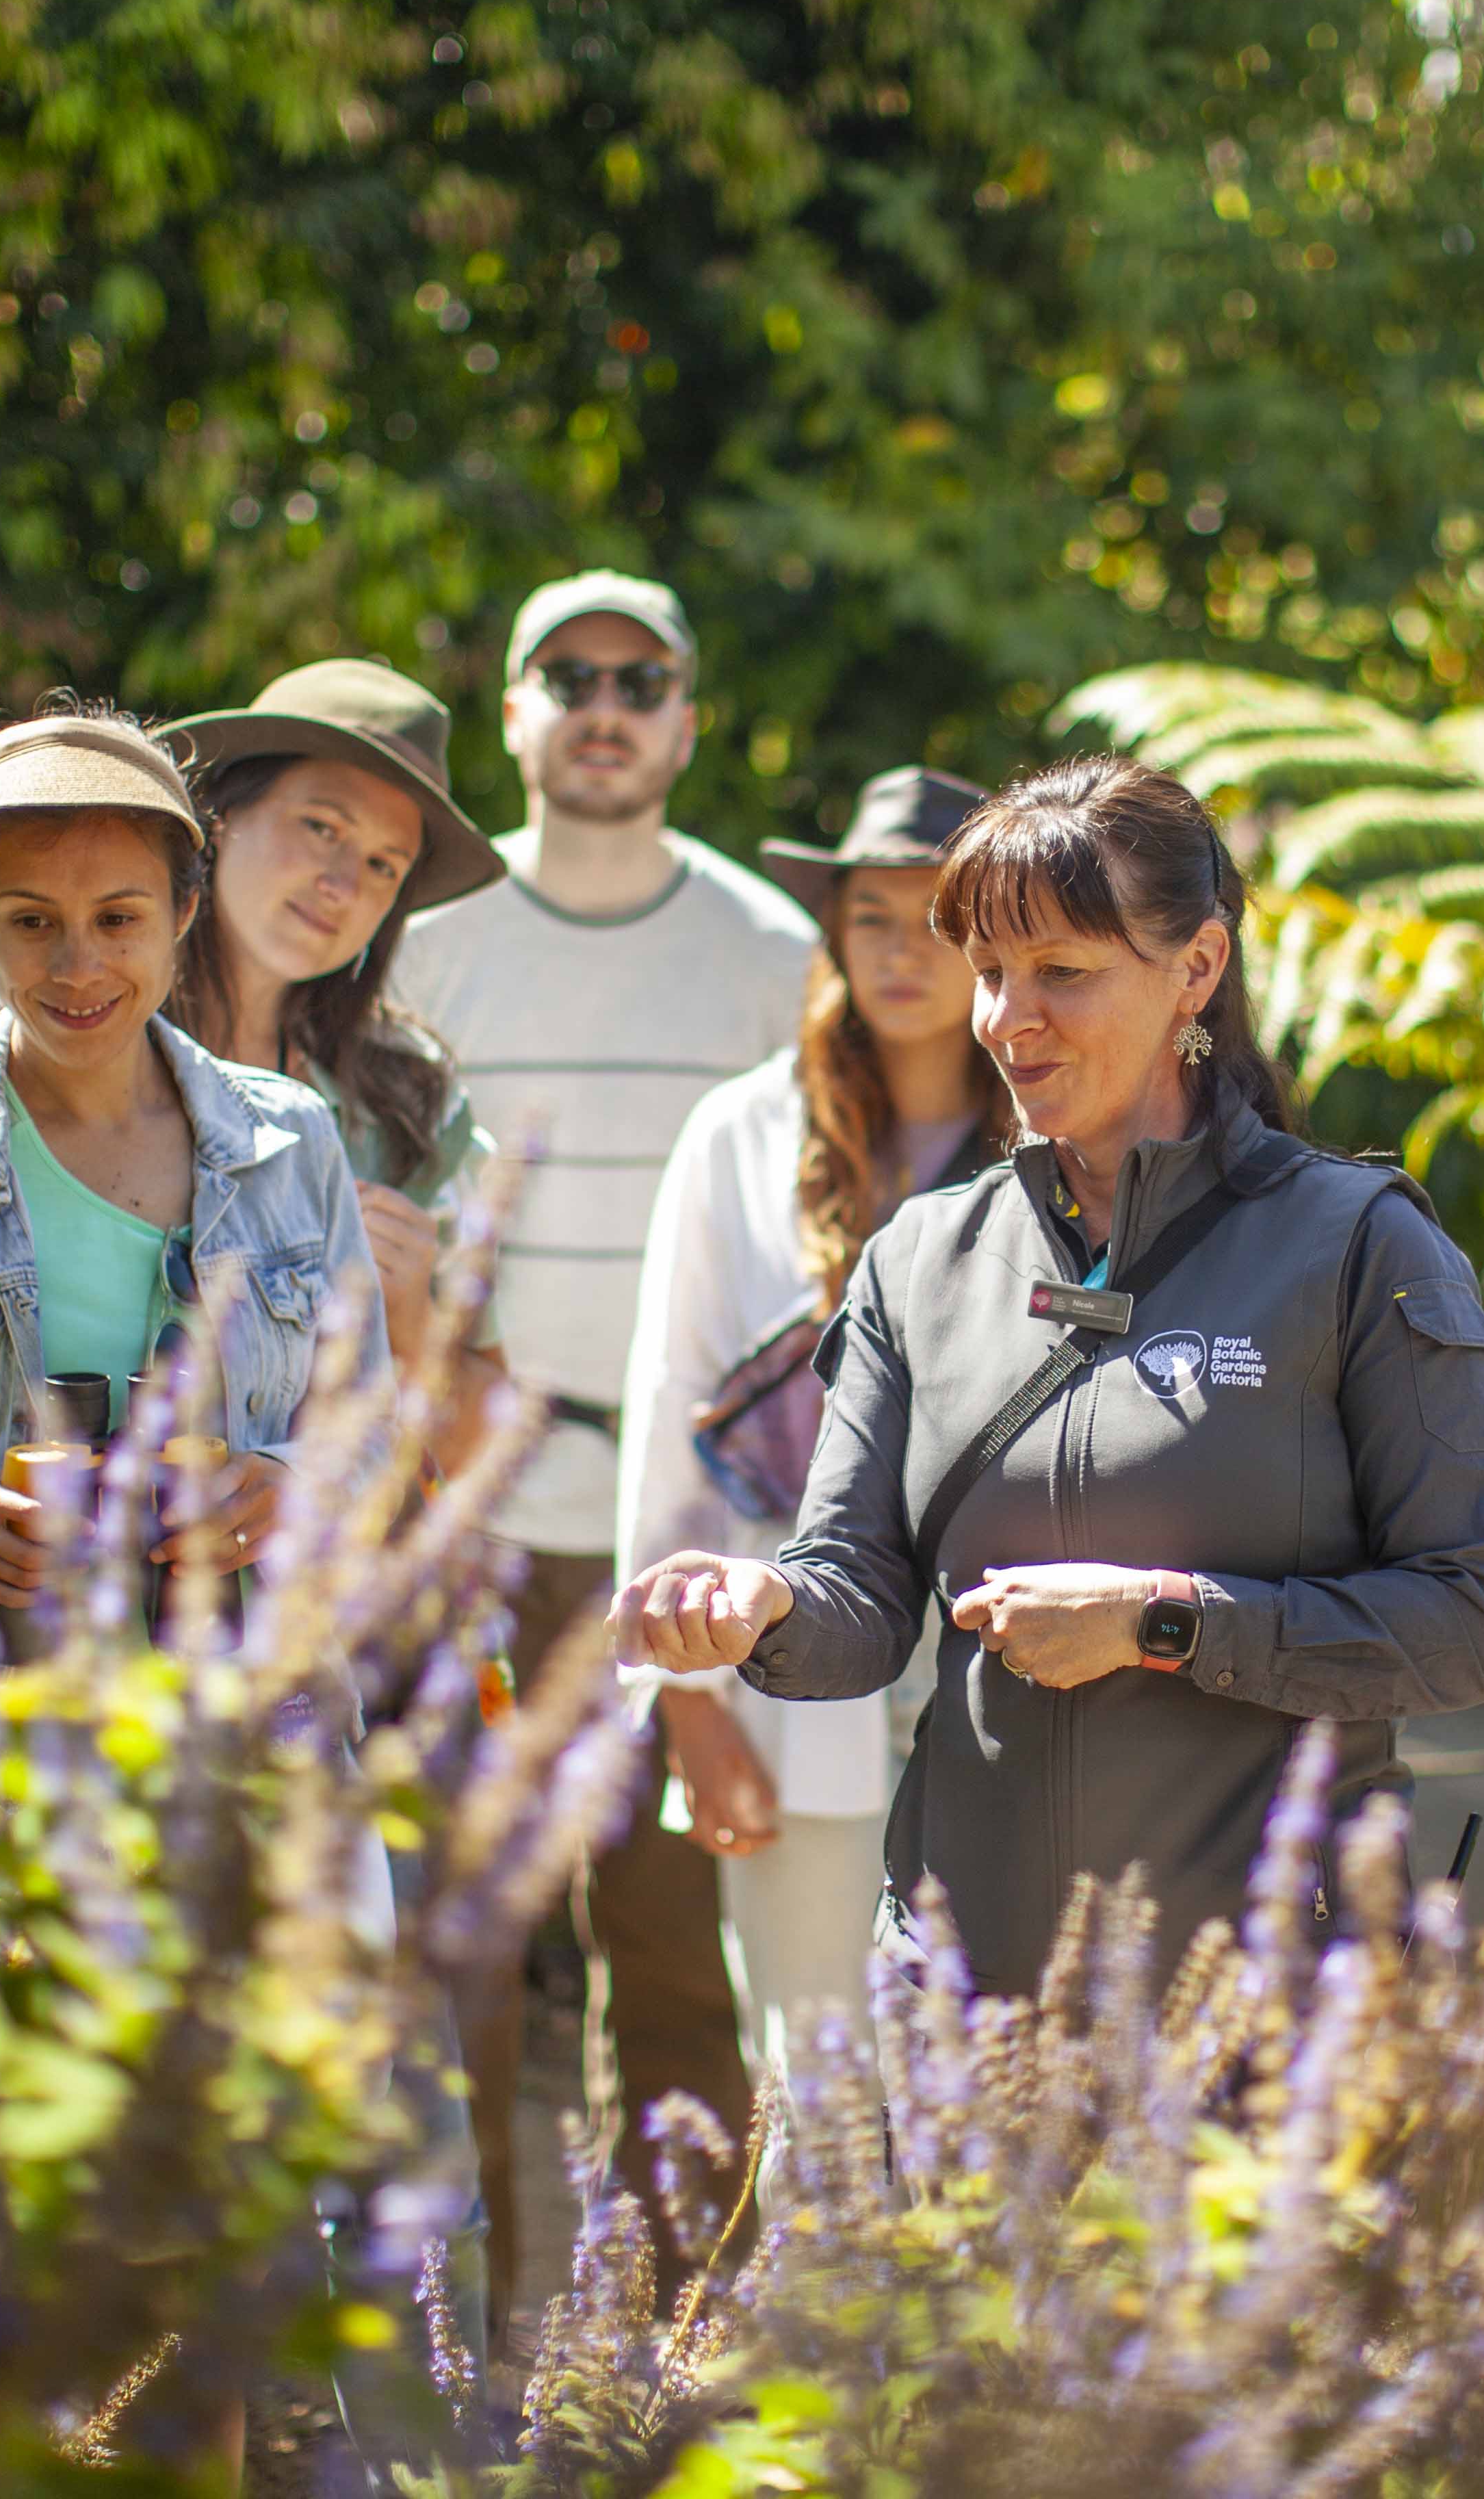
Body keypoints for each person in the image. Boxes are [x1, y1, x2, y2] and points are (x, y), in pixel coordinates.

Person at [612, 756, 1484, 2000]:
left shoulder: (1358, 1246)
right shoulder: (922, 1257)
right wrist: (762, 1602)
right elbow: (861, 1597)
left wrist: (1166, 1618)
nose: (1004, 1018)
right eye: (990, 973)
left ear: (1194, 968)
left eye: (1062, 972)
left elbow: (1466, 1625)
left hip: (1259, 2017)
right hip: (967, 2010)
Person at [389, 572, 816, 2299]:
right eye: (567, 674)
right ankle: (467, 2334)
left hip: (683, 1528)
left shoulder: (772, 955)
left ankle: (671, 2339)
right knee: (461, 1947)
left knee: (669, 1944)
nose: (606, 703)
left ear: (689, 718)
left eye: (643, 677)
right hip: (461, 1514)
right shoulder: (426, 936)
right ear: (511, 711)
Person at [0, 704, 381, 1601]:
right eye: (32, 922)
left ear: (184, 912)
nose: (79, 966)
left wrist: (292, 1486)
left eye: (119, 918)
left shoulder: (293, 1143)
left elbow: (369, 1428)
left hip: (244, 1719)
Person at [613, 767, 1011, 2080]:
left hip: (1010, 1662)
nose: (903, 953)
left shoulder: (1061, 1134)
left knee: (998, 2070)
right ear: (833, 931)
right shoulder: (742, 1131)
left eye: (937, 919)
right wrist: (690, 1705)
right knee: (817, 2070)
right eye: (871, 916)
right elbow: (675, 1410)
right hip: (787, 1668)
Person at [0, 662, 504, 1457]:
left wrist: (412, 1318)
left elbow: (473, 1452)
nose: (340, 883)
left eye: (383, 865)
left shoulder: (410, 1098)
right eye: (321, 828)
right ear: (218, 822)